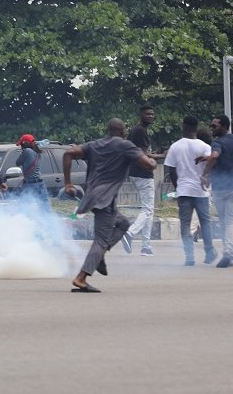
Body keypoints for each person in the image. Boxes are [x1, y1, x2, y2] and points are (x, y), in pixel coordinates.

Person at [64, 118, 156, 293]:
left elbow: (68, 153)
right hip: (105, 199)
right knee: (101, 240)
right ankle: (81, 278)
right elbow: (148, 165)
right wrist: (150, 159)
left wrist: (68, 183)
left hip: (93, 196)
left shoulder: (94, 144)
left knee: (123, 224)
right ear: (122, 131)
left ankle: (99, 256)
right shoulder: (124, 145)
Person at [162, 116, 217, 267]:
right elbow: (211, 165)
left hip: (184, 191)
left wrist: (177, 186)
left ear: (184, 127)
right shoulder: (205, 146)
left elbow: (171, 170)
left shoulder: (175, 146)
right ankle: (209, 252)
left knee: (185, 224)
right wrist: (207, 180)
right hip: (201, 191)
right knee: (205, 222)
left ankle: (189, 256)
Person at [121, 105, 164, 256]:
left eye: (152, 114)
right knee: (147, 209)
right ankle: (130, 233)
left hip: (135, 172)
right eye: (147, 114)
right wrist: (164, 155)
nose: (151, 116)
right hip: (142, 174)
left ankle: (146, 246)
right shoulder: (140, 131)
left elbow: (140, 152)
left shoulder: (137, 130)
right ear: (141, 115)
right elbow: (144, 155)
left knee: (148, 210)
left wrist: (155, 154)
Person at [202, 115, 233, 268]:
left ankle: (228, 253)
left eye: (214, 126)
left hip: (222, 188)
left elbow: (215, 155)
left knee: (226, 221)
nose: (211, 128)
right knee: (230, 221)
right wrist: (205, 158)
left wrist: (205, 173)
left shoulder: (217, 142)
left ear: (224, 126)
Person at [15, 133, 50, 211]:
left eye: (21, 144)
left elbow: (17, 163)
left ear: (24, 144)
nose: (21, 146)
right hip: (40, 183)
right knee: (45, 208)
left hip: (30, 185)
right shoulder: (38, 153)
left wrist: (23, 151)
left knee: (24, 208)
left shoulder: (27, 151)